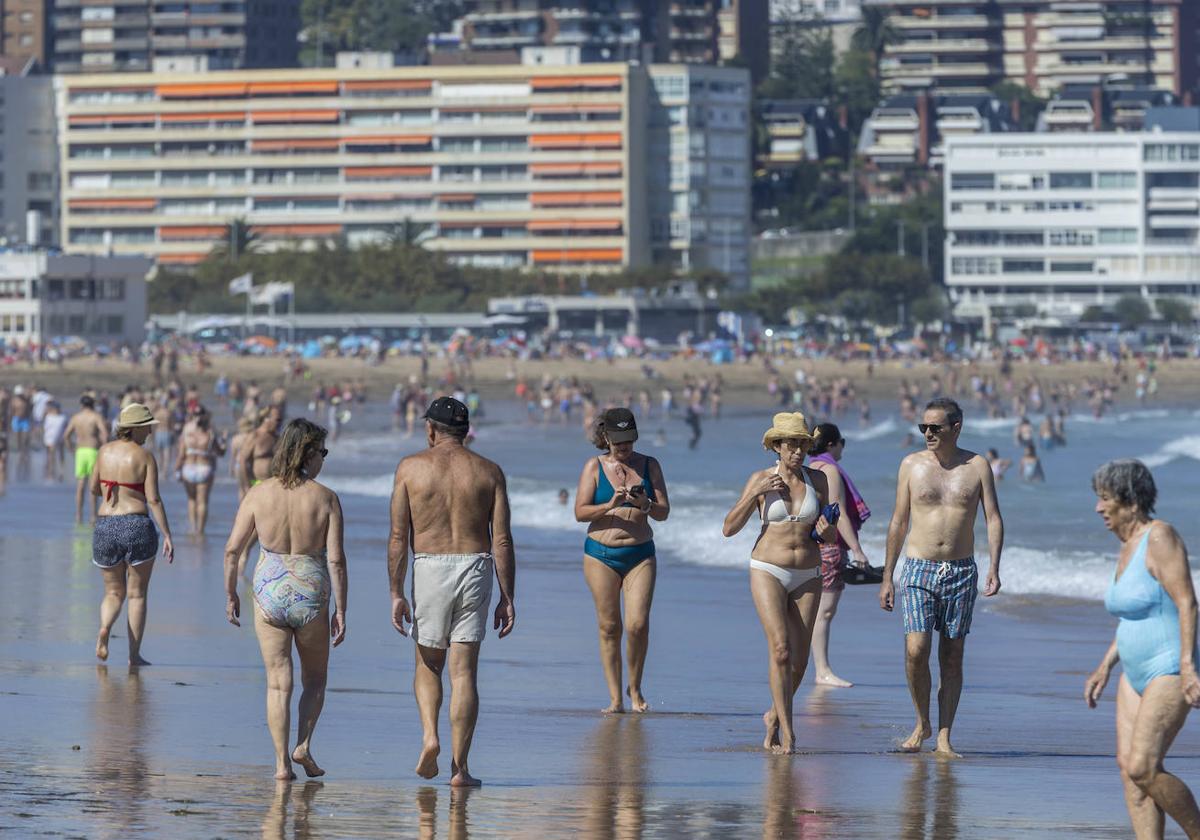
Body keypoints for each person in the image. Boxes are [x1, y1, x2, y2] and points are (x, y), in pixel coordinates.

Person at [388, 397, 516, 786]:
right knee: (464, 675)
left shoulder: (411, 469)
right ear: (466, 431)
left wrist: (396, 591)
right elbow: (503, 541)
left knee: (428, 664)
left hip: (430, 565)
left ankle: (430, 737)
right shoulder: (489, 471)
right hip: (476, 565)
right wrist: (507, 597)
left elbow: (398, 537)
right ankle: (460, 769)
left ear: (430, 429)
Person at [224, 418, 348, 781]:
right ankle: (303, 745)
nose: (324, 459)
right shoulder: (325, 497)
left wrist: (231, 592)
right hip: (310, 589)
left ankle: (280, 765)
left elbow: (232, 550)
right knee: (315, 681)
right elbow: (337, 559)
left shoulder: (259, 494)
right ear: (308, 454)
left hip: (269, 589)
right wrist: (341, 608)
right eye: (322, 452)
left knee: (278, 682)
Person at [879, 397, 1003, 756]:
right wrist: (888, 575)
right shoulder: (911, 466)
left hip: (961, 570)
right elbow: (898, 521)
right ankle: (922, 723)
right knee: (916, 650)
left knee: (952, 656)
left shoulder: (978, 466)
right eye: (923, 428)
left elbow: (993, 517)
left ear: (956, 427)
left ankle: (945, 735)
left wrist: (994, 567)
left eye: (935, 428)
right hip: (918, 567)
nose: (928, 434)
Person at [1085, 459, 1200, 838]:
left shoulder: (1160, 537)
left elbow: (1187, 602)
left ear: (1131, 502)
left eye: (1105, 499)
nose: (1099, 508)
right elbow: (1134, 617)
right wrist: (1105, 666)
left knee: (1144, 767)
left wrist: (1187, 666)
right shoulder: (1126, 547)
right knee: (1130, 774)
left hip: (1167, 668)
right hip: (1133, 675)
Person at [723, 412, 836, 754]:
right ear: (777, 446)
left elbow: (828, 535)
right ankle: (788, 733)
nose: (798, 451)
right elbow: (729, 528)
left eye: (803, 444)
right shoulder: (760, 478)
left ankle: (774, 714)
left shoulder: (818, 481)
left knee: (799, 662)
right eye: (791, 444)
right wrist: (754, 493)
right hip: (767, 569)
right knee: (781, 650)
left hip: (809, 573)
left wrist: (827, 530)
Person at [573, 407, 670, 714]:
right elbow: (580, 512)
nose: (625, 448)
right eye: (618, 442)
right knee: (609, 626)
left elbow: (664, 512)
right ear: (606, 439)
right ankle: (616, 698)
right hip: (601, 554)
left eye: (629, 441)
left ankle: (635, 688)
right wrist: (610, 504)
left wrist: (646, 504)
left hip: (640, 553)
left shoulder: (650, 465)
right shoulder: (593, 466)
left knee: (638, 624)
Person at [91, 403, 175, 665]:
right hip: (137, 525)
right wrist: (168, 534)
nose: (150, 432)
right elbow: (154, 500)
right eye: (147, 426)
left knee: (113, 593)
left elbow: (94, 488)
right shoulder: (145, 456)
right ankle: (133, 655)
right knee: (137, 594)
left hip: (105, 526)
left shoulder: (104, 451)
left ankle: (105, 626)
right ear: (136, 428)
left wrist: (113, 489)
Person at [807, 423, 872, 688]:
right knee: (824, 611)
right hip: (829, 544)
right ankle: (822, 671)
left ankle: (818, 668)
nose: (842, 446)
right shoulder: (830, 470)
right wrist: (856, 549)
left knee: (814, 610)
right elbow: (838, 512)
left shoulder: (808, 468)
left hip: (808, 544)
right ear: (832, 444)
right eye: (841, 441)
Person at [176, 408, 225, 535]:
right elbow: (220, 452)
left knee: (191, 499)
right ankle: (200, 530)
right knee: (203, 501)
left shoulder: (187, 433)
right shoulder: (210, 434)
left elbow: (181, 455)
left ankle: (192, 527)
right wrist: (224, 442)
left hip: (188, 468)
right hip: (204, 468)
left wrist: (177, 470)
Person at [66, 395, 109, 524]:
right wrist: (104, 449)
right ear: (93, 405)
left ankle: (78, 515)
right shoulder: (96, 417)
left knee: (80, 484)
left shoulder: (75, 418)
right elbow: (105, 434)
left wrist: (71, 449)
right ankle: (93, 516)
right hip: (93, 451)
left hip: (80, 451)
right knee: (93, 484)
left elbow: (66, 435)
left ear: (81, 405)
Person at [42, 401, 68, 481]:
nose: (56, 410)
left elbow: (66, 428)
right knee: (50, 456)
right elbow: (45, 428)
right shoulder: (48, 417)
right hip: (50, 439)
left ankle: (61, 472)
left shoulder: (63, 417)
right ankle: (50, 472)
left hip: (60, 438)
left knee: (61, 455)